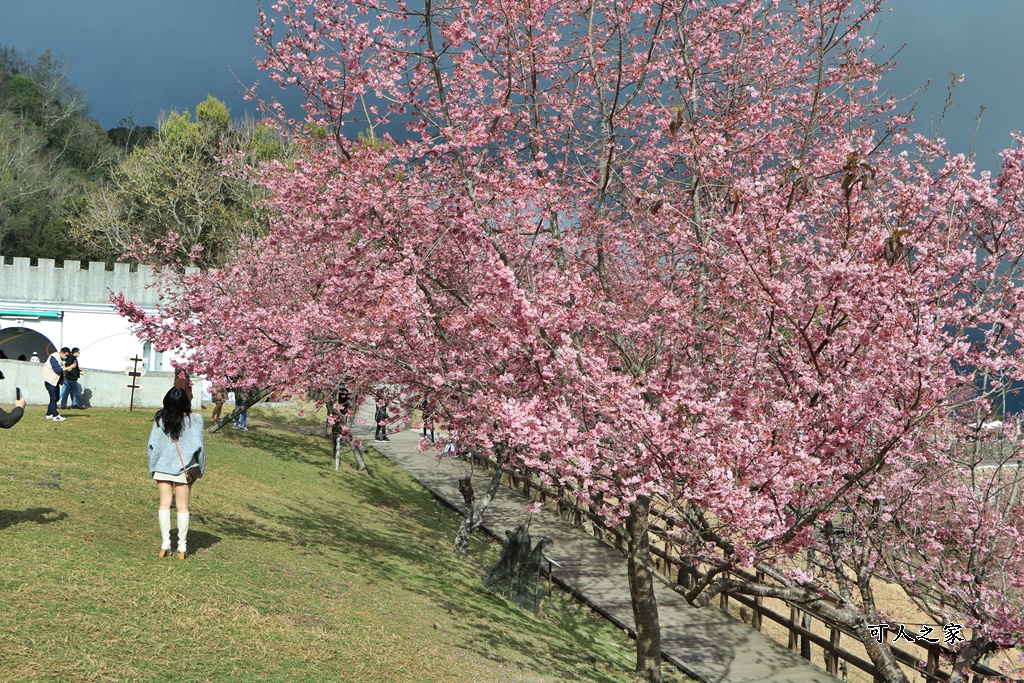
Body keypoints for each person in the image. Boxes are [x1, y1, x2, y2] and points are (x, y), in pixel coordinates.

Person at [147, 387, 205, 560]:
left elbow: (151, 446)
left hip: (162, 467)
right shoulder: (196, 419)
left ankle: (165, 544)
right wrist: (200, 468)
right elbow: (200, 447)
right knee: (182, 507)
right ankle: (182, 547)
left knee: (164, 504)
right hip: (185, 468)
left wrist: (153, 467)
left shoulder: (160, 419)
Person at [41, 347, 68, 422]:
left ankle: (49, 414)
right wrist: (68, 367)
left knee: (55, 398)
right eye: (66, 355)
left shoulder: (60, 358)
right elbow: (57, 369)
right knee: (53, 398)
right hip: (50, 381)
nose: (66, 357)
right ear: (62, 353)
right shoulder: (54, 358)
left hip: (55, 381)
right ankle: (56, 415)